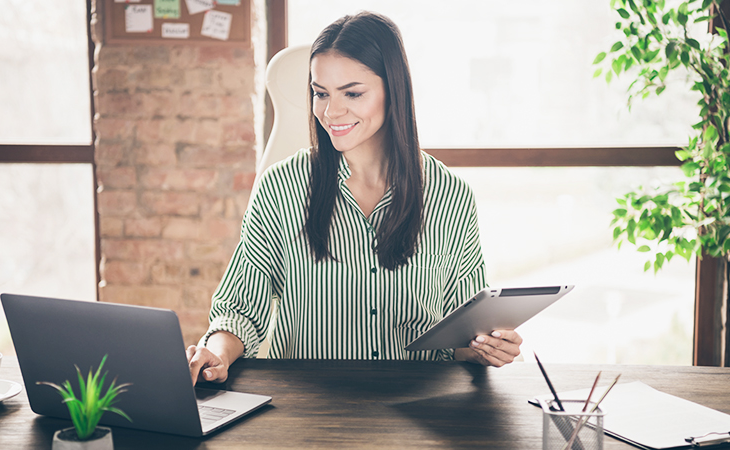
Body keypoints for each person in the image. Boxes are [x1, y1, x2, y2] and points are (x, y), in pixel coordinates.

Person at [186, 11, 522, 384]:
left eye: (353, 93)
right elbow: (239, 310)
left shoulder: (450, 195)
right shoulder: (280, 188)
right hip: (311, 405)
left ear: (393, 90)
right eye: (321, 93)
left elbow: (464, 330)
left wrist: (485, 347)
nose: (331, 111)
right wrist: (216, 353)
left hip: (419, 403)